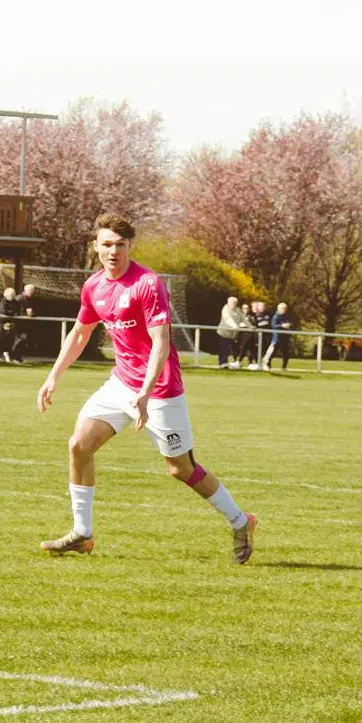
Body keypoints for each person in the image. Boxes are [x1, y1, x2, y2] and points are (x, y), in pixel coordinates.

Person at [36, 213, 257, 563]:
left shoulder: (147, 284)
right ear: (95, 247)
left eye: (120, 245)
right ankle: (82, 533)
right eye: (107, 244)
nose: (113, 251)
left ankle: (241, 521)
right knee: (79, 445)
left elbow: (161, 343)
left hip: (160, 390)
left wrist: (145, 393)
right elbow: (80, 333)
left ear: (130, 247)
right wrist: (53, 376)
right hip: (121, 383)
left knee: (180, 469)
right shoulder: (94, 286)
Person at [216, 296, 247, 369]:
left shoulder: (238, 310)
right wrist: (235, 326)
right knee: (223, 348)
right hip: (223, 333)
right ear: (228, 303)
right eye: (232, 303)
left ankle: (232, 362)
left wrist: (250, 326)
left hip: (233, 334)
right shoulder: (225, 309)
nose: (233, 304)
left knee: (232, 349)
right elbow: (228, 319)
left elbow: (243, 319)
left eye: (235, 303)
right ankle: (223, 363)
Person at [0, 287, 25, 363]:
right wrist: (12, 313)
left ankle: (13, 356)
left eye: (12, 295)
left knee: (13, 340)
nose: (11, 297)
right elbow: (3, 311)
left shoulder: (15, 302)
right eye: (9, 295)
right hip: (2, 323)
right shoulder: (3, 301)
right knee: (1, 340)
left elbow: (18, 311)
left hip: (12, 324)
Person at [264, 302, 292, 370]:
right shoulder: (276, 316)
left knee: (285, 353)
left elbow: (289, 324)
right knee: (272, 352)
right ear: (278, 309)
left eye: (285, 308)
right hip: (277, 338)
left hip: (284, 338)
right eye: (282, 308)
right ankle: (267, 364)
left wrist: (289, 325)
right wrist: (282, 326)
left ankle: (284, 367)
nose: (284, 310)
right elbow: (273, 325)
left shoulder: (286, 316)